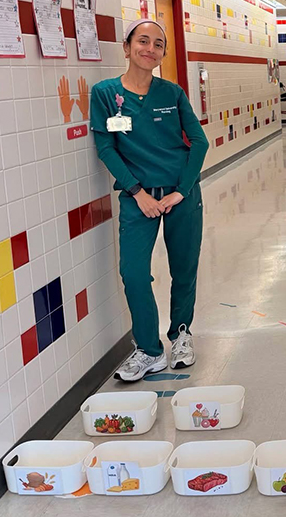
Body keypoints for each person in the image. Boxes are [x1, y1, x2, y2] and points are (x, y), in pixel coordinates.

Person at [91, 20, 209, 382]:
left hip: (180, 195)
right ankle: (148, 349)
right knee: (134, 273)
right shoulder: (106, 94)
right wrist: (137, 192)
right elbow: (107, 148)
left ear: (163, 54)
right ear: (126, 47)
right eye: (143, 41)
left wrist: (182, 190)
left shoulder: (171, 93)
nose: (150, 48)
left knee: (184, 268)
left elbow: (199, 142)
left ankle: (181, 334)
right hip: (136, 197)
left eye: (158, 44)